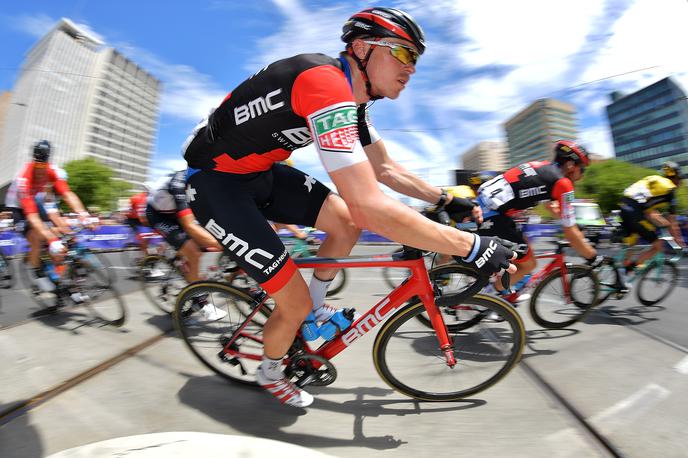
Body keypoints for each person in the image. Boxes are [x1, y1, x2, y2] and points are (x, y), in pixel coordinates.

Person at [182, 7, 516, 407]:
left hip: (262, 173)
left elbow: (387, 170)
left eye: (416, 59)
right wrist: (471, 246)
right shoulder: (324, 84)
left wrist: (445, 200)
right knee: (294, 301)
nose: (411, 68)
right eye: (404, 53)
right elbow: (369, 206)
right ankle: (270, 371)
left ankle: (315, 311)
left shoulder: (352, 103)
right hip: (217, 187)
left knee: (343, 223)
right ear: (361, 48)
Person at [475, 140, 598, 302]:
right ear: (570, 165)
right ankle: (488, 299)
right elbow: (569, 232)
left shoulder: (544, 168)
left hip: (487, 207)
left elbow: (550, 206)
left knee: (522, 248)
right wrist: (592, 257)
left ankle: (499, 284)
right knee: (529, 264)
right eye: (582, 169)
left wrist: (571, 223)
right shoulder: (564, 183)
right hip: (493, 215)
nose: (582, 174)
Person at [4, 140, 92, 291]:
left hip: (36, 202)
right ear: (33, 161)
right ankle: (38, 273)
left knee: (58, 236)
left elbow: (67, 195)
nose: (39, 171)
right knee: (36, 236)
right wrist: (52, 240)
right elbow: (32, 216)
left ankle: (59, 274)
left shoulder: (51, 173)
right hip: (17, 207)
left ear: (47, 163)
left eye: (42, 166)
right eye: (37, 165)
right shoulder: (24, 179)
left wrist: (83, 214)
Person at [145, 170, 226, 320]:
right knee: (194, 252)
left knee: (203, 244)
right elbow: (188, 225)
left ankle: (180, 262)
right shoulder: (180, 182)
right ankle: (199, 300)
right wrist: (223, 245)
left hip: (177, 211)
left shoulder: (208, 182)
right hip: (159, 215)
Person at [618, 161, 686, 277]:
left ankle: (620, 278)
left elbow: (649, 211)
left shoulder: (654, 179)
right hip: (635, 212)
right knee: (658, 245)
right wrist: (680, 243)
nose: (680, 182)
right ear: (676, 178)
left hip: (623, 206)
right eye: (680, 179)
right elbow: (673, 222)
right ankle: (632, 269)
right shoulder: (670, 190)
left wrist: (663, 223)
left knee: (631, 244)